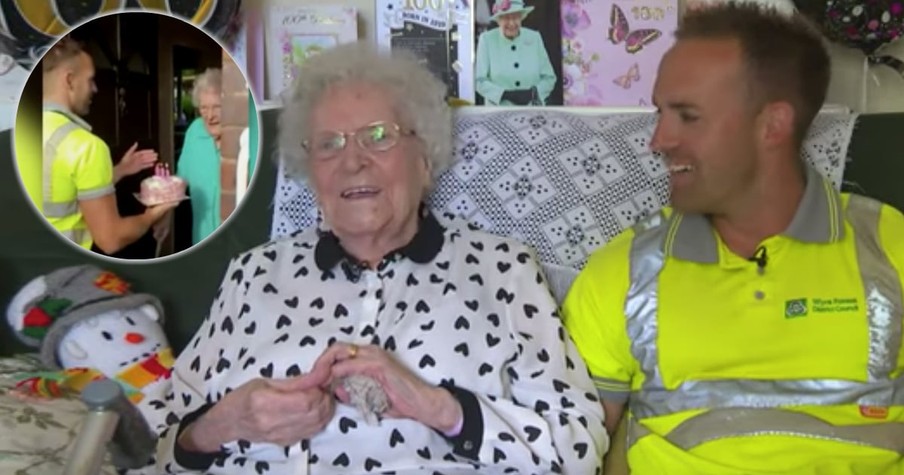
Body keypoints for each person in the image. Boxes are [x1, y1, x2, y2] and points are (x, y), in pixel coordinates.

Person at [154, 42, 607, 475]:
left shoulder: (504, 272)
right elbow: (154, 443)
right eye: (328, 144)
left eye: (378, 136)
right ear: (308, 170)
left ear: (425, 157)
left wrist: (441, 409)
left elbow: (580, 448)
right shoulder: (251, 276)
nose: (353, 162)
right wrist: (217, 428)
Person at [562, 4, 904, 474]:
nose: (658, 140)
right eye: (661, 114)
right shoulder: (621, 272)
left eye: (688, 116)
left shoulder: (889, 246)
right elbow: (569, 449)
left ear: (772, 126)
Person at [40, 36, 175, 254]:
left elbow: (65, 188)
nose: (95, 89)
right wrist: (152, 215)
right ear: (70, 80)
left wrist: (120, 170)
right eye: (91, 80)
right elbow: (111, 240)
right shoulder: (85, 146)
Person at [475, 0, 556, 106]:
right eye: (506, 17)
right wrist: (504, 95)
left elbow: (549, 78)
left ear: (521, 17)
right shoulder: (487, 40)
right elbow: (479, 81)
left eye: (515, 17)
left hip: (532, 110)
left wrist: (533, 93)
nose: (512, 23)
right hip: (498, 113)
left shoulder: (534, 38)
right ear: (498, 20)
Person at [176, 68, 223, 246]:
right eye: (204, 108)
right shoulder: (194, 131)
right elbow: (180, 182)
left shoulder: (245, 137)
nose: (210, 116)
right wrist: (163, 216)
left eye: (216, 107)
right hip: (202, 241)